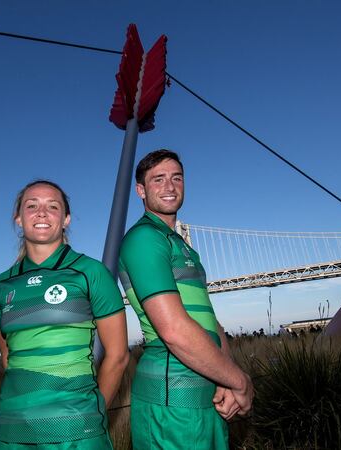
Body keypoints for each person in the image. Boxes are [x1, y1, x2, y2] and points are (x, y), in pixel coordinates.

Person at [118, 150, 254, 449]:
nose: (169, 186)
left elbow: (209, 321)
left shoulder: (181, 245)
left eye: (176, 178)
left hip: (207, 393)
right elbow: (174, 330)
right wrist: (240, 381)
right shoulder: (144, 239)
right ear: (141, 190)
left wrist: (225, 375)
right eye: (158, 179)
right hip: (173, 399)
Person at [0, 180, 129, 449]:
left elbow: (119, 356)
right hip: (11, 431)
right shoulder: (0, 286)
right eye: (32, 206)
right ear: (18, 219)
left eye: (52, 206)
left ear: (65, 219)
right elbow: (8, 357)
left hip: (76, 433)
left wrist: (93, 413)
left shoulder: (91, 273)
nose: (41, 212)